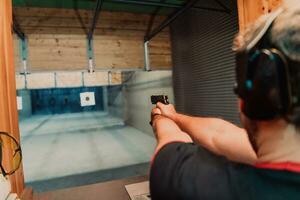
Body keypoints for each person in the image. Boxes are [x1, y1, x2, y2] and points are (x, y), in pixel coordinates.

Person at [149, 1, 300, 199]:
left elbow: (169, 146)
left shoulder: (187, 185)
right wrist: (174, 116)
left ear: (252, 100)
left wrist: (161, 119)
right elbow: (218, 134)